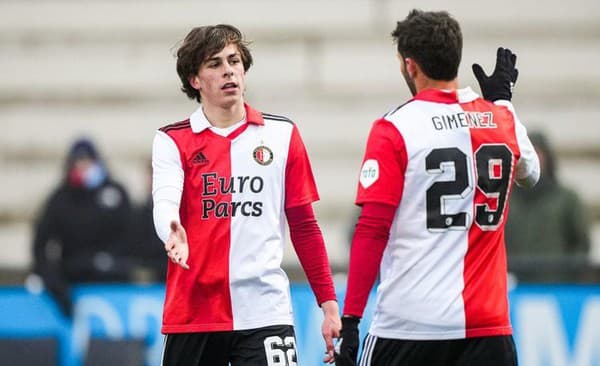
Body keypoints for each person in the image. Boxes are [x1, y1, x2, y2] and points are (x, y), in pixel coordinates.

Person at [335, 10, 540, 366]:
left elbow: (371, 229)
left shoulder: (394, 127)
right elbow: (531, 173)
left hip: (410, 326)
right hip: (488, 327)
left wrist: (351, 319)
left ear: (409, 65)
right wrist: (503, 102)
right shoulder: (500, 119)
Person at [152, 24, 340, 365]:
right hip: (194, 315)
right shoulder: (172, 140)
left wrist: (328, 304)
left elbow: (304, 226)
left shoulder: (282, 135)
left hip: (265, 313)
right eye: (214, 63)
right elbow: (165, 197)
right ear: (195, 80)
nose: (228, 70)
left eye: (234, 61)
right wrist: (171, 228)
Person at [31, 138, 132, 317]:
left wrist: (112, 261)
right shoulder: (60, 199)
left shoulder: (116, 193)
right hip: (73, 279)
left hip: (112, 280)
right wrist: (54, 281)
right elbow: (41, 244)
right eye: (78, 162)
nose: (83, 167)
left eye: (88, 161)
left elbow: (132, 235)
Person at [505, 131, 590, 281]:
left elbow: (581, 246)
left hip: (555, 286)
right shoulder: (505, 200)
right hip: (513, 286)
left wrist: (568, 276)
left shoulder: (566, 200)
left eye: (538, 152)